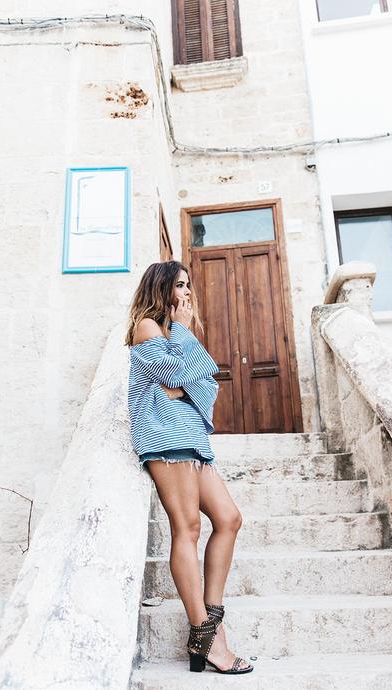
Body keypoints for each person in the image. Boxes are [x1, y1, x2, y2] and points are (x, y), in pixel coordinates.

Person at [125, 260, 253, 675]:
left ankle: (211, 624)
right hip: (165, 438)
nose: (186, 293)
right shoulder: (147, 327)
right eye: (180, 285)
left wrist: (186, 374)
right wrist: (181, 340)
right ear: (162, 287)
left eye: (188, 286)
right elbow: (173, 375)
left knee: (229, 519)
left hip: (193, 439)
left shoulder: (175, 335)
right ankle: (205, 635)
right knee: (188, 529)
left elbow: (205, 382)